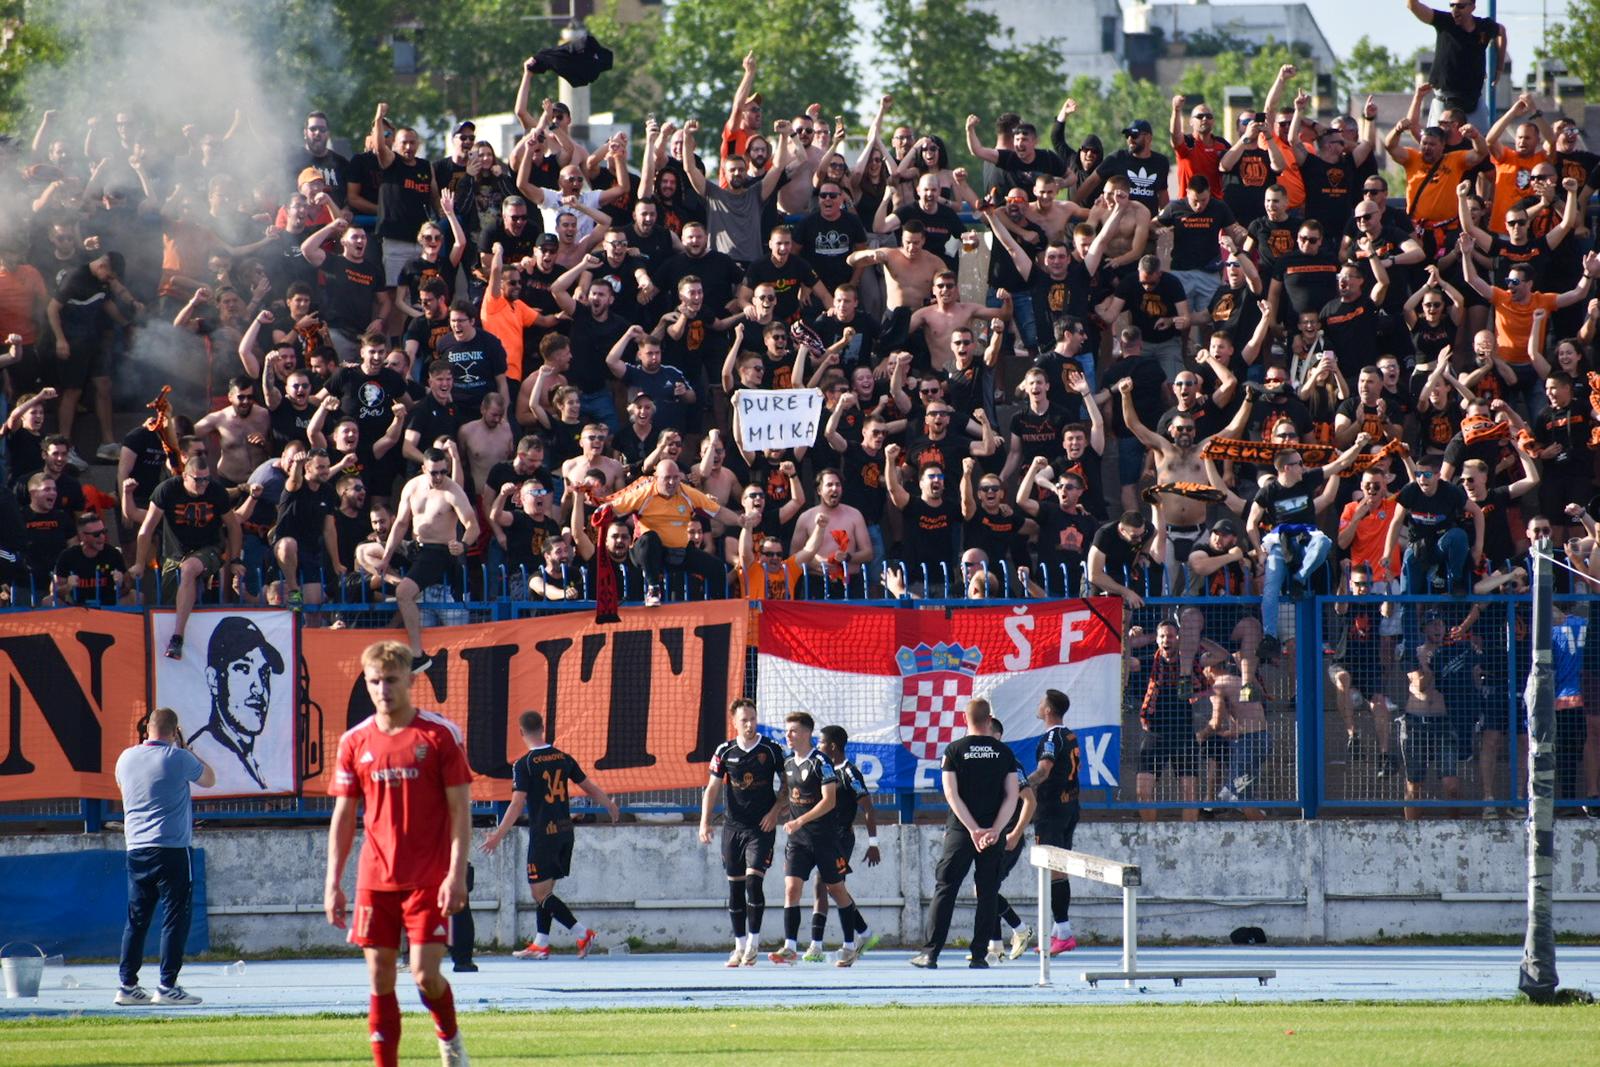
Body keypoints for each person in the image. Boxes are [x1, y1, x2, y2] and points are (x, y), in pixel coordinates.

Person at [325, 640, 472, 1067]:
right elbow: (343, 816)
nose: (383, 689)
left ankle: (449, 1038)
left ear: (409, 680)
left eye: (391, 680)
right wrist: (333, 882)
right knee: (379, 976)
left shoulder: (439, 735)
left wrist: (456, 873)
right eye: (374, 681)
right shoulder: (354, 742)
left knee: (426, 976)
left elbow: (460, 811)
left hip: (428, 876)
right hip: (376, 878)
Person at [483, 710, 619, 960]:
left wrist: (498, 835)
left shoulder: (523, 764)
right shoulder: (563, 758)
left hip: (544, 833)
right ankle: (541, 942)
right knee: (547, 890)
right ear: (543, 728)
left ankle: (582, 933)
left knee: (539, 893)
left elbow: (515, 804)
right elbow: (588, 787)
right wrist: (609, 805)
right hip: (565, 832)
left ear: (521, 732)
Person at [114, 706, 215, 1008]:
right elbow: (209, 779)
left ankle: (127, 985)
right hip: (171, 848)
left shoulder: (125, 758)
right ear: (174, 732)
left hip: (137, 849)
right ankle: (167, 985)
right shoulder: (178, 758)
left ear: (146, 730)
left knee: (137, 919)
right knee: (175, 917)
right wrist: (188, 751)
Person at [910, 697, 1020, 969]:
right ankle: (980, 955)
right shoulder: (1004, 753)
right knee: (988, 891)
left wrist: (972, 829)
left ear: (964, 719)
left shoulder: (954, 750)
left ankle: (931, 953)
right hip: (994, 833)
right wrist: (995, 829)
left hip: (962, 830)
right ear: (989, 719)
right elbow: (1012, 796)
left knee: (946, 888)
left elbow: (951, 793)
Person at [766, 711, 868, 967]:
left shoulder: (821, 762)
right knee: (792, 888)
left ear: (807, 734)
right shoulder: (788, 763)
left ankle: (848, 945)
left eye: (794, 731)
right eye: (787, 731)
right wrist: (776, 812)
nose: (788, 735)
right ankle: (790, 947)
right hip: (798, 841)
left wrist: (800, 820)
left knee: (836, 889)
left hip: (825, 839)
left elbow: (829, 801)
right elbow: (788, 794)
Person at [132, 444, 244, 661]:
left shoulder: (216, 491)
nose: (203, 484)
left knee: (189, 568)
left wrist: (235, 559)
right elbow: (146, 529)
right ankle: (161, 653)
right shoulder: (167, 490)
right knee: (167, 602)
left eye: (206, 479)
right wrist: (138, 562)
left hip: (209, 549)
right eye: (197, 479)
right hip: (174, 552)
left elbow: (233, 526)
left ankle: (178, 637)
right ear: (185, 476)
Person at [375, 448, 481, 672]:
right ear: (424, 469)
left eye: (443, 471)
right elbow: (401, 523)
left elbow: (473, 526)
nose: (439, 477)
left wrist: (463, 544)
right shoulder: (412, 487)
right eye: (434, 473)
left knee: (404, 593)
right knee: (366, 551)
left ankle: (416, 653)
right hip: (415, 547)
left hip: (439, 551)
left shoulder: (453, 491)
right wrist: (386, 557)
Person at [700, 698, 786, 967]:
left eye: (752, 718)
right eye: (744, 720)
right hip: (732, 827)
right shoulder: (725, 751)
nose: (749, 724)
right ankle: (738, 946)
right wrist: (704, 822)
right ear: (734, 722)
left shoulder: (771, 749)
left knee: (753, 883)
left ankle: (753, 943)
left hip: (761, 828)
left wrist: (774, 813)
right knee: (735, 888)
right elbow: (712, 788)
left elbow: (787, 786)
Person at [605, 459, 755, 605]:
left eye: (676, 478)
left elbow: (719, 512)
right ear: (656, 478)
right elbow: (613, 507)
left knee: (716, 567)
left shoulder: (687, 493)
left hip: (676, 553)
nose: (672, 482)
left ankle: (718, 605)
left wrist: (739, 521)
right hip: (647, 553)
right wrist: (598, 508)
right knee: (650, 538)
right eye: (667, 478)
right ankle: (653, 589)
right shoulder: (643, 493)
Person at [801, 724, 881, 963]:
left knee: (828, 886)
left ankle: (830, 946)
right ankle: (863, 934)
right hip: (821, 837)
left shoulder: (849, 773)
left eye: (821, 742)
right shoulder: (821, 769)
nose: (818, 746)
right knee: (828, 888)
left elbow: (867, 807)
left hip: (840, 839)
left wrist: (873, 842)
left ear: (832, 746)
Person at [185, 616, 286, 793]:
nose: (259, 688)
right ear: (214, 679)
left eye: (264, 673)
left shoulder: (251, 756)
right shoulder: (203, 750)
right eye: (243, 669)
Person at [1027, 688, 1081, 955]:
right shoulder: (1069, 735)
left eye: (1041, 702)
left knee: (1053, 869)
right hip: (1070, 806)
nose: (1038, 706)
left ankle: (1064, 931)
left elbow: (1044, 770)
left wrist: (1022, 785)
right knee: (1058, 868)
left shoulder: (1051, 737)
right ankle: (1058, 933)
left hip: (1051, 811)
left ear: (1048, 709)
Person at [1407, 0, 1507, 130]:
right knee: (1437, 143)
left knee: (1484, 144)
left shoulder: (1483, 26)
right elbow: (1413, 6)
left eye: (1460, 6)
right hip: (1444, 101)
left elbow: (1501, 32)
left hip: (1473, 102)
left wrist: (1499, 68)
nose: (1455, 9)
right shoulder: (1444, 21)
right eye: (1452, 5)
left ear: (1472, 7)